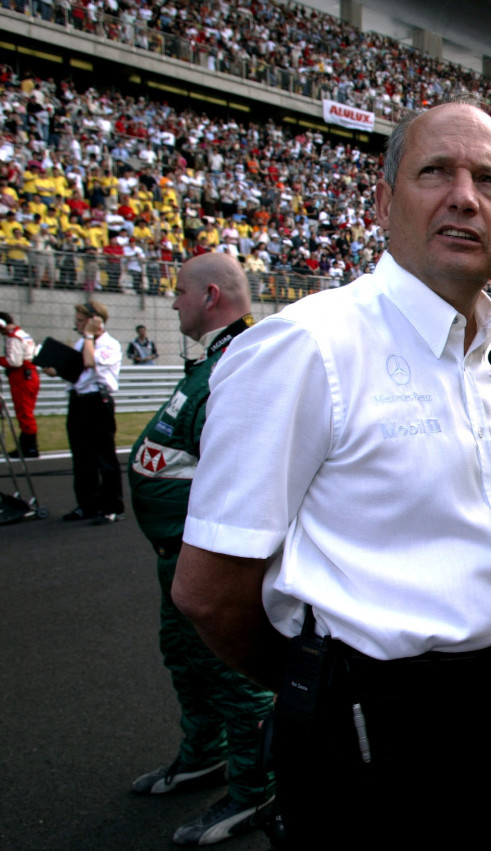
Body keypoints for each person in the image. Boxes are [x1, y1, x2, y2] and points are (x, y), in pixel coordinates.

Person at [172, 96, 491, 848]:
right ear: (383, 201)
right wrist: (321, 686)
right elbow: (209, 591)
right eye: (434, 171)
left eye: (489, 180)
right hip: (372, 716)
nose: (464, 196)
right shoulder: (305, 346)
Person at [128, 253, 275, 845]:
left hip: (215, 562)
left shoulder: (244, 362)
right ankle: (203, 754)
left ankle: (254, 789)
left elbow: (243, 474)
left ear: (210, 295)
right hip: (176, 556)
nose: (172, 302)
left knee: (235, 678)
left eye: (179, 293)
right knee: (189, 665)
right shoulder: (214, 359)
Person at [48, 301, 124, 524]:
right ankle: (87, 505)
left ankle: (112, 507)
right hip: (78, 401)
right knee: (81, 457)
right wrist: (55, 367)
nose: (78, 325)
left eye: (82, 321)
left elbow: (90, 362)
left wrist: (89, 336)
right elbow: (75, 370)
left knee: (104, 456)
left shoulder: (110, 344)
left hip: (97, 401)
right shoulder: (83, 342)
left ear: (94, 320)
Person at [0, 311, 40, 458]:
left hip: (22, 376)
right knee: (25, 411)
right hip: (29, 375)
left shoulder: (13, 337)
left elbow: (14, 361)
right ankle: (27, 446)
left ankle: (29, 448)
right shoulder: (22, 333)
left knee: (24, 411)